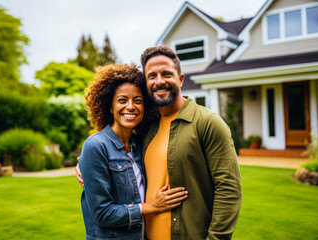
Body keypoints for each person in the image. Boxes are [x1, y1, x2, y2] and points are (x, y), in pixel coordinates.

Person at [77, 47, 243, 240]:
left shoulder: (207, 123)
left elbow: (229, 189)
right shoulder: (146, 129)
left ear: (180, 79)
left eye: (166, 74)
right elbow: (113, 157)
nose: (159, 81)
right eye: (152, 76)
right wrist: (84, 165)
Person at [79, 63, 188, 240]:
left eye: (138, 101)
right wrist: (152, 206)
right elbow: (102, 214)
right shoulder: (96, 146)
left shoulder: (141, 144)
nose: (131, 107)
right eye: (122, 100)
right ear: (110, 106)